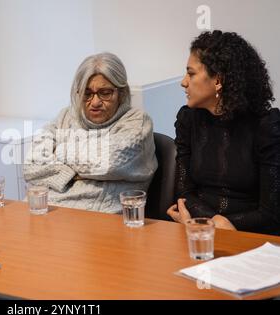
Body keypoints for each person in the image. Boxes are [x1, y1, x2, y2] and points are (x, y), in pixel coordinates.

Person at [167, 31, 280, 235]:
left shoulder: (266, 126)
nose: (184, 82)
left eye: (191, 73)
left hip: (252, 239)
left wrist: (212, 224)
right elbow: (184, 192)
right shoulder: (188, 119)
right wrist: (210, 223)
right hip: (199, 234)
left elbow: (271, 213)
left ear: (218, 80)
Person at [24, 52, 157, 213]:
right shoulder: (67, 116)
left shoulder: (137, 122)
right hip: (45, 211)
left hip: (96, 221)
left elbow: (108, 162)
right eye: (87, 93)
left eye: (105, 93)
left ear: (121, 93)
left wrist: (58, 151)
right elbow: (31, 164)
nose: (95, 102)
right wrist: (74, 173)